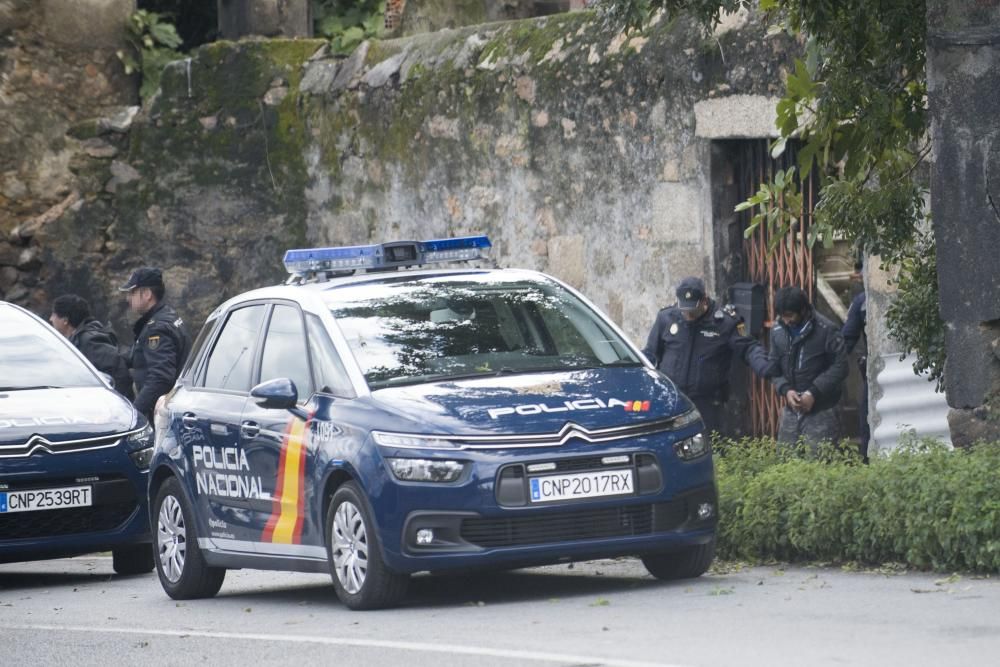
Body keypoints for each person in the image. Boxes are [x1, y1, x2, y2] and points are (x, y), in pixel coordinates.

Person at [643, 276, 772, 436]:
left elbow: (748, 347)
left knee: (708, 450)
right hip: (671, 399)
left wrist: (763, 366)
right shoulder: (666, 318)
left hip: (707, 404)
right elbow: (650, 355)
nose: (688, 315)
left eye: (692, 310)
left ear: (704, 300)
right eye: (684, 310)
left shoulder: (724, 323)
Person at [769, 286, 849, 451]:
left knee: (820, 464)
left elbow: (840, 366)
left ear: (803, 310)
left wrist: (813, 392)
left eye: (790, 316)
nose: (786, 321)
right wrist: (786, 390)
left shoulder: (827, 330)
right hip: (791, 411)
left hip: (822, 410)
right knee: (786, 462)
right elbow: (773, 367)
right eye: (782, 316)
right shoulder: (777, 331)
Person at [119, 267, 191, 422]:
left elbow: (161, 377)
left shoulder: (157, 328)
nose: (128, 299)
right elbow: (139, 357)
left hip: (163, 416)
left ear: (146, 294)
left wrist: (134, 413)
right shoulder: (166, 316)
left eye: (132, 293)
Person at [49, 294, 134, 399]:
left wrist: (119, 403)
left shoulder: (89, 342)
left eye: (54, 314)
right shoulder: (78, 339)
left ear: (65, 320)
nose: (51, 319)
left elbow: (119, 370)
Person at [842, 288, 869, 461]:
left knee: (869, 425)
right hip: (875, 375)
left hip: (878, 377)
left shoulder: (863, 301)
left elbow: (844, 343)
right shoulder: (862, 303)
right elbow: (845, 343)